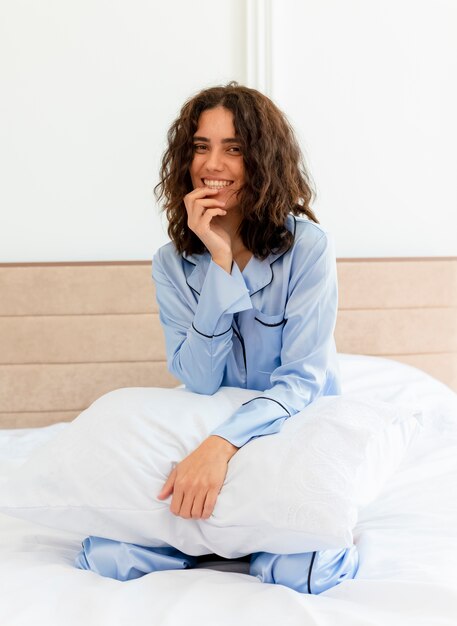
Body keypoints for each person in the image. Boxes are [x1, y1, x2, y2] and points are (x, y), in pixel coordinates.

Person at [75, 83, 358, 593]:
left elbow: (303, 380)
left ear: (263, 160)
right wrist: (219, 264)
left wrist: (222, 445)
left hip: (288, 427)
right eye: (201, 146)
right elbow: (200, 381)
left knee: (302, 571)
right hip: (207, 419)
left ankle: (238, 539)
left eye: (234, 148)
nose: (214, 163)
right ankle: (216, 540)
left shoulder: (308, 248)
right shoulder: (172, 264)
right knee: (109, 557)